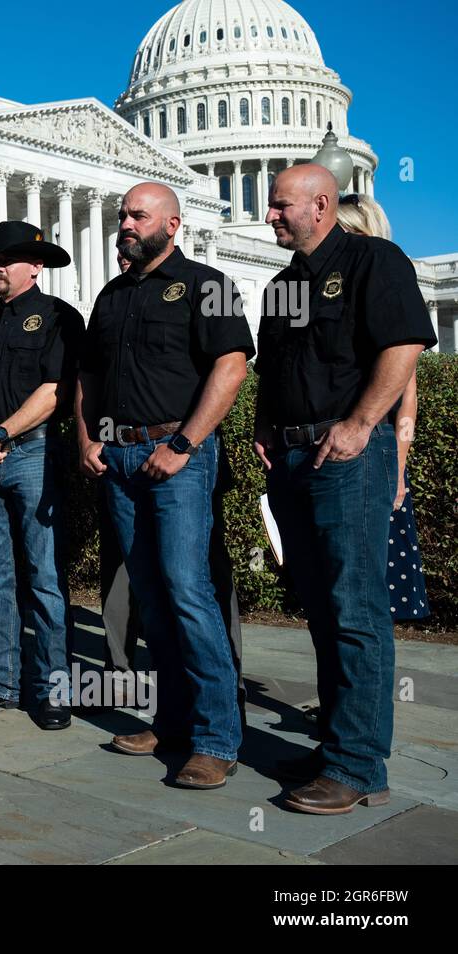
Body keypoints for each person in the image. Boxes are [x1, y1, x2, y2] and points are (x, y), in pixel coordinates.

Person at [255, 165, 435, 813]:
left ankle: (358, 765)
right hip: (294, 459)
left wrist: (362, 424)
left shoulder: (371, 261)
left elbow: (405, 343)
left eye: (279, 206)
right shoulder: (280, 287)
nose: (269, 216)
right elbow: (273, 368)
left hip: (349, 455)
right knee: (323, 611)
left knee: (355, 608)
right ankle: (339, 743)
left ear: (321, 205)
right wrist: (263, 428)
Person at [77, 182, 253, 789]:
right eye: (122, 212)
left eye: (137, 214)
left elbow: (231, 367)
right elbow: (89, 375)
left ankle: (216, 737)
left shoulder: (209, 285)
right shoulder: (112, 295)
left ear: (172, 224)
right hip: (119, 458)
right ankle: (173, 720)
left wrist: (183, 445)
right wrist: (87, 439)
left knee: (187, 591)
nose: (125, 221)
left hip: (177, 455)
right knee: (150, 596)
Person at [0, 222, 83, 731]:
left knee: (44, 579)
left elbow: (57, 390)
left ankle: (53, 690)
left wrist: (0, 434)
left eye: (9, 259)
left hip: (32, 455)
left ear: (36, 266)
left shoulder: (57, 317)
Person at [336, 194, 428, 622]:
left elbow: (406, 398)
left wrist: (399, 472)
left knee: (372, 593)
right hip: (334, 452)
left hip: (377, 452)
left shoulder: (385, 279)